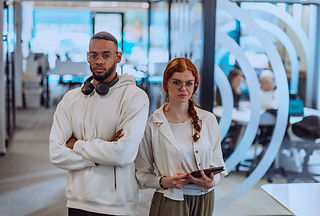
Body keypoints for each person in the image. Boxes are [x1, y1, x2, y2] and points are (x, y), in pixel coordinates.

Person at [49, 31, 149, 216]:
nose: (99, 61)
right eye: (94, 55)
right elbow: (56, 153)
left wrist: (76, 144)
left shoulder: (134, 97)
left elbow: (122, 155)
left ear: (118, 57)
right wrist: (103, 153)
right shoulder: (71, 99)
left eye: (106, 55)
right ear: (88, 57)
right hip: (78, 201)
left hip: (118, 205)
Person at [135, 57, 227, 216]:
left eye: (189, 83)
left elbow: (218, 164)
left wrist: (211, 182)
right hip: (170, 200)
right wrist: (166, 182)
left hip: (204, 200)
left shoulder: (209, 120)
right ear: (166, 84)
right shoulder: (151, 124)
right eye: (176, 82)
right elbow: (141, 174)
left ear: (195, 86)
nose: (183, 88)